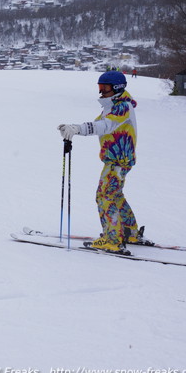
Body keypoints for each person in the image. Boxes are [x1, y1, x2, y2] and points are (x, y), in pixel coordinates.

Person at [57, 71, 149, 254]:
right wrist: (75, 129)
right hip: (119, 159)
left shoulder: (122, 107)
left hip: (118, 161)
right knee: (115, 194)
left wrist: (78, 128)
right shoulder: (113, 105)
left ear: (116, 88)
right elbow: (98, 124)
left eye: (104, 88)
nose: (101, 92)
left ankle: (112, 240)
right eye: (100, 87)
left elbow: (105, 126)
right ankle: (130, 232)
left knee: (104, 195)